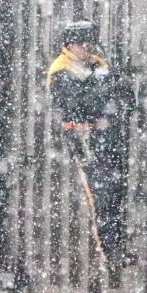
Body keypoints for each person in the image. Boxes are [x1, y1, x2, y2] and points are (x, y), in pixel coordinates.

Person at [47, 20, 130, 275]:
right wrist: (103, 88)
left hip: (107, 142)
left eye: (89, 42)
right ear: (69, 45)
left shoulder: (97, 65)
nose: (87, 47)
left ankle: (117, 245)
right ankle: (109, 251)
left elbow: (126, 97)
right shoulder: (60, 71)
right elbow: (79, 104)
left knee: (117, 193)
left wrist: (105, 90)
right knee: (101, 197)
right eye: (82, 43)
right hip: (83, 144)